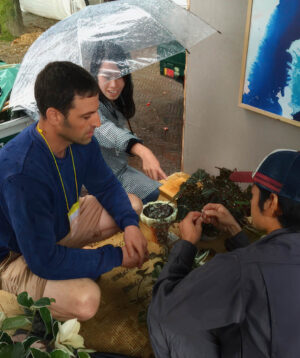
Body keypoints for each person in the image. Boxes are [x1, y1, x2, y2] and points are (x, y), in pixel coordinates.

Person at [0, 61, 149, 322]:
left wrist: (131, 226)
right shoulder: (21, 172)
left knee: (131, 206)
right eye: (86, 116)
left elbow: (106, 185)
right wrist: (116, 256)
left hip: (54, 228)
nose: (97, 121)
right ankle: (16, 294)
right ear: (55, 115)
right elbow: (43, 261)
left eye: (95, 111)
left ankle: (68, 260)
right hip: (15, 255)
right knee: (86, 300)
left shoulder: (81, 138)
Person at [148, 149, 300, 357]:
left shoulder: (237, 268)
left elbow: (165, 308)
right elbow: (272, 272)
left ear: (272, 202)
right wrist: (235, 233)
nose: (250, 198)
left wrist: (186, 245)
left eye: (254, 192)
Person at [89, 42, 167, 204]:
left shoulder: (112, 102)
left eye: (120, 76)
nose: (114, 85)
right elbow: (105, 129)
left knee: (159, 191)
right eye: (107, 76)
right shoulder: (89, 105)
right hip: (105, 179)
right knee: (154, 196)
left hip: (120, 169)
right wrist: (143, 151)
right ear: (95, 74)